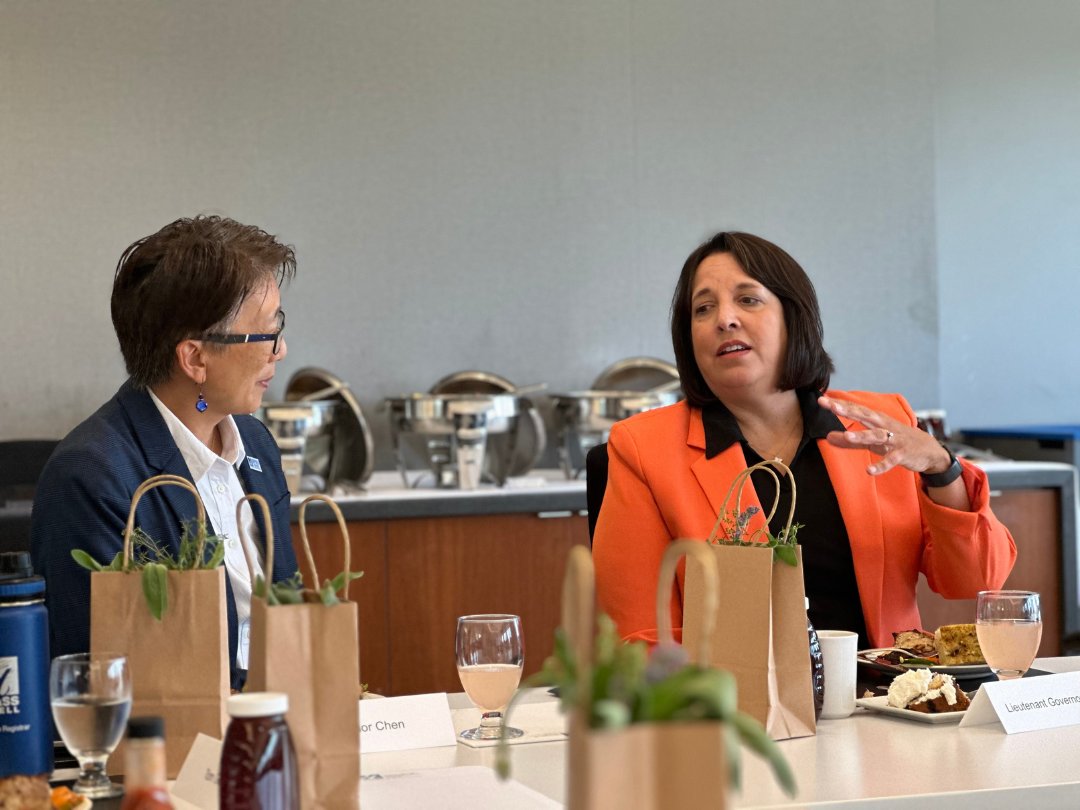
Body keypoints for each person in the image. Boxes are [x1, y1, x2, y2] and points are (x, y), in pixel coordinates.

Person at [592, 231, 1016, 649]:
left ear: (793, 317)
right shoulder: (645, 447)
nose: (724, 319)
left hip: (882, 697)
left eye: (748, 299)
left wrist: (942, 469)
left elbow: (976, 579)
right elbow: (640, 638)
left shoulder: (878, 423)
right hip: (732, 709)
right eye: (703, 309)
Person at [31, 215, 300, 689]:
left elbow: (283, 612)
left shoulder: (255, 445)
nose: (279, 350)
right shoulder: (92, 476)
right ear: (195, 358)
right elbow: (89, 673)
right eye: (266, 334)